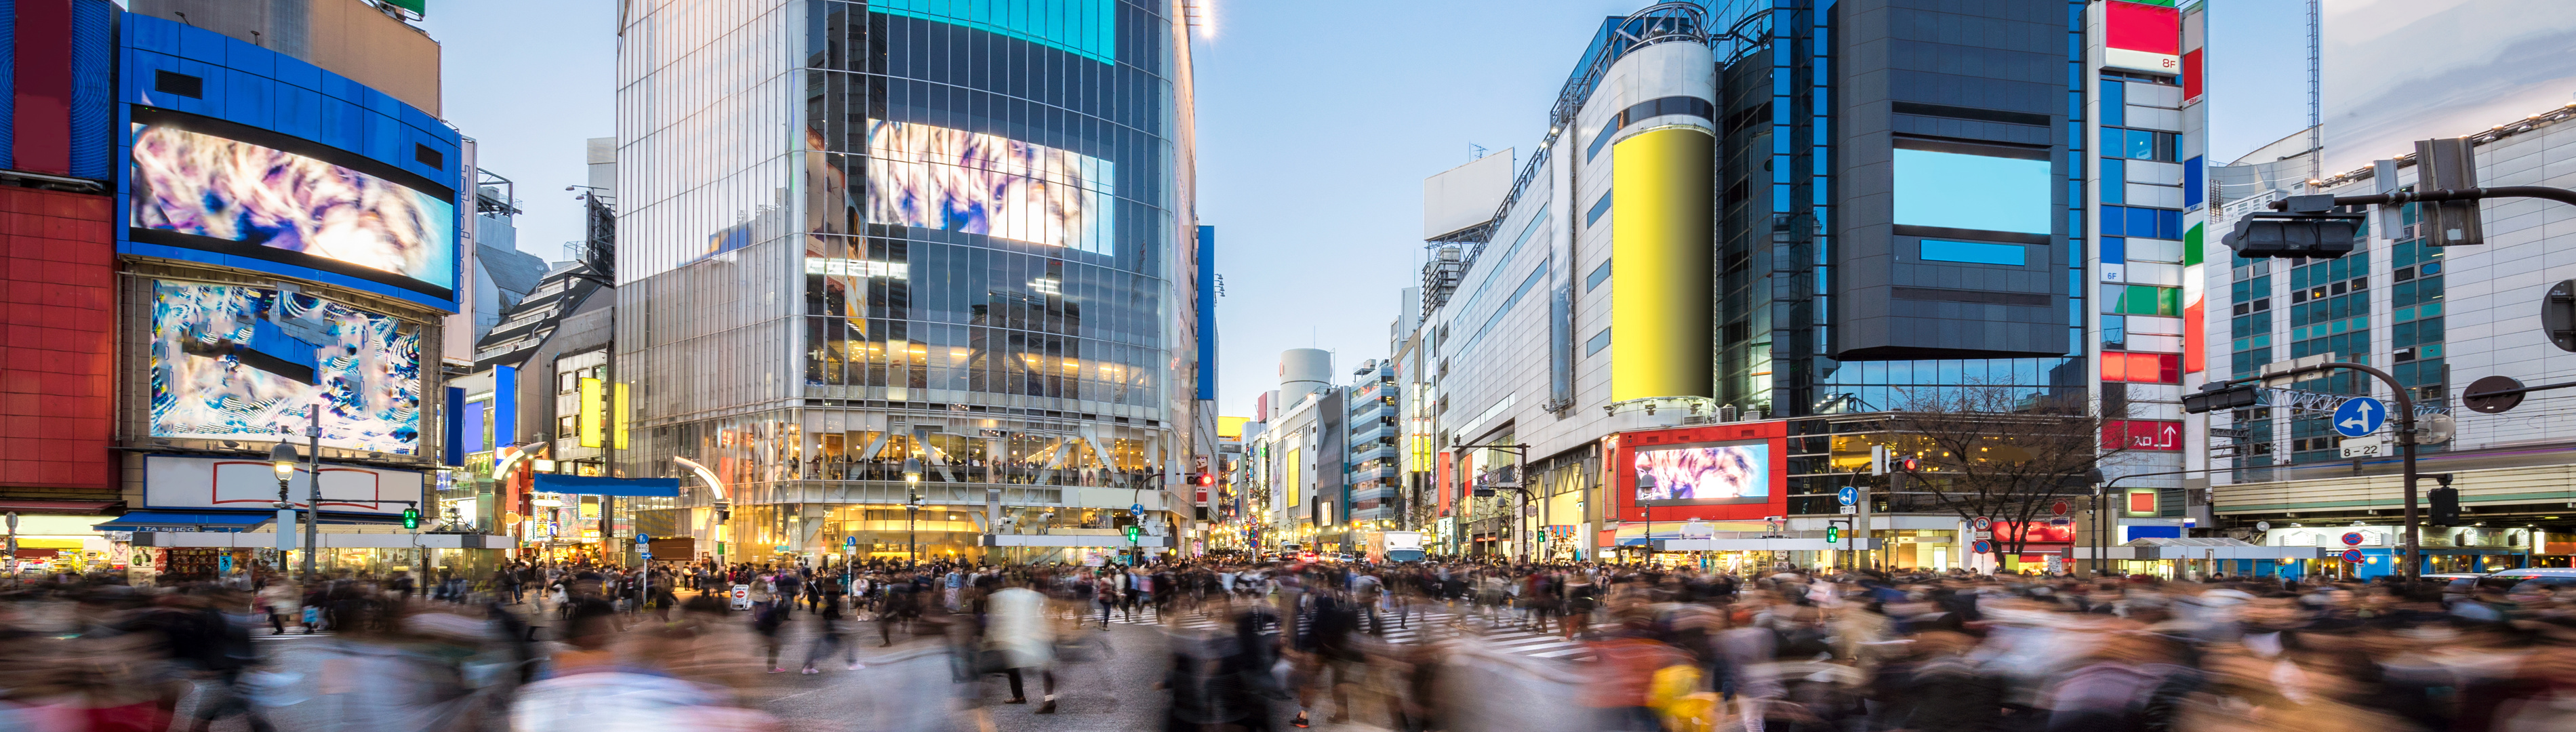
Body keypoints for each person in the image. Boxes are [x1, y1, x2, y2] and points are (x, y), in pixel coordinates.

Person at [985, 576, 1058, 713]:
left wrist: (992, 637)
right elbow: (1047, 616)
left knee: (1012, 666)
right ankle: (1048, 699)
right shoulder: (1036, 596)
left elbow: (994, 619)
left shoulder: (1002, 595)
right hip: (1037, 636)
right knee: (1044, 667)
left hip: (1021, 638)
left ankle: (1020, 696)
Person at [800, 589, 860, 674]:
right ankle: (853, 664)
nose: (844, 600)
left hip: (831, 633)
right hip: (833, 634)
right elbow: (833, 621)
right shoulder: (833, 607)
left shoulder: (830, 607)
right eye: (843, 599)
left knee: (825, 650)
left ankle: (808, 666)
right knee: (826, 651)